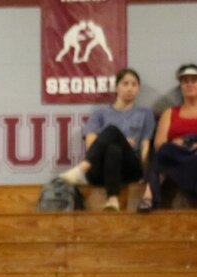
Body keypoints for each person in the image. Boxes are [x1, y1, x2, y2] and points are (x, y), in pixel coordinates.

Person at [59, 68, 154, 211]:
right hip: (99, 169)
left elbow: (146, 145)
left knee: (112, 131)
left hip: (130, 169)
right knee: (113, 147)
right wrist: (119, 141)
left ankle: (82, 168)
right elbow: (91, 144)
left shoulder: (145, 113)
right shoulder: (100, 113)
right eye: (125, 83)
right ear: (117, 87)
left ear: (138, 88)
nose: (130, 88)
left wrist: (146, 174)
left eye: (134, 84)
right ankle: (112, 199)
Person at [140, 63, 197, 212]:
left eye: (194, 80)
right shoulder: (170, 112)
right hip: (177, 158)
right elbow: (159, 144)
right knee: (164, 150)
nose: (189, 84)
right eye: (185, 81)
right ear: (181, 86)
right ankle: (148, 198)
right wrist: (180, 144)